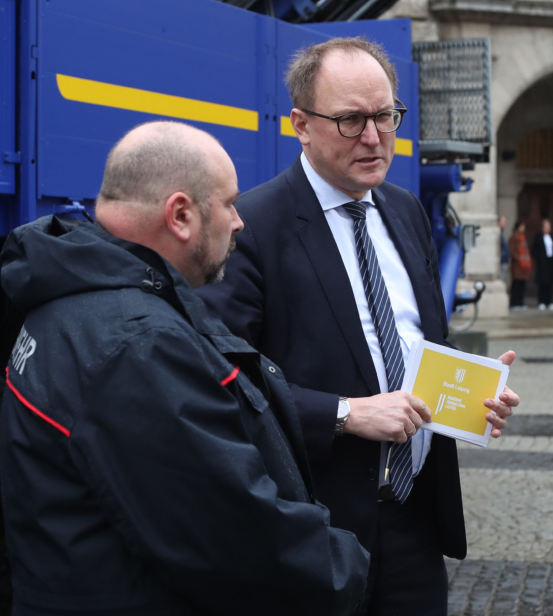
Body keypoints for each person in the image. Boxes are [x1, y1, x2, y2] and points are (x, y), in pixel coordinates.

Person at [198, 37, 519, 616]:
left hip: (416, 516)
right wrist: (347, 414)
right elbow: (224, 383)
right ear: (301, 124)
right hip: (312, 526)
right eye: (350, 120)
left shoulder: (405, 210)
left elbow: (421, 344)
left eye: (385, 116)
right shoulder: (254, 226)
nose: (373, 138)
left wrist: (473, 396)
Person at [0, 121, 370, 616]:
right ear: (180, 215)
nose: (239, 221)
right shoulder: (139, 344)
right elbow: (232, 538)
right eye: (229, 203)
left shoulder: (69, 299)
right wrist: (347, 568)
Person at [529, 219, 553, 310]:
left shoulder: (552, 236)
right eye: (546, 227)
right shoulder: (538, 237)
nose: (547, 229)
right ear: (542, 228)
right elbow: (533, 250)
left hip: (551, 262)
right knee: (542, 283)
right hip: (542, 263)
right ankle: (541, 301)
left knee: (550, 283)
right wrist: (538, 259)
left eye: (549, 227)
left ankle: (549, 301)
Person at [508, 219, 532, 310]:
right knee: (516, 285)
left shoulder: (523, 238)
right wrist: (519, 258)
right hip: (517, 265)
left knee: (522, 285)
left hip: (524, 265)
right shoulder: (513, 237)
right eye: (522, 226)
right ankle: (515, 303)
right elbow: (512, 250)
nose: (523, 228)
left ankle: (521, 302)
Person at [498, 215, 510, 283]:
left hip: (503, 260)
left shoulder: (501, 233)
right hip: (501, 261)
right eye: (504, 222)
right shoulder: (498, 233)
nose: (505, 224)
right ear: (498, 223)